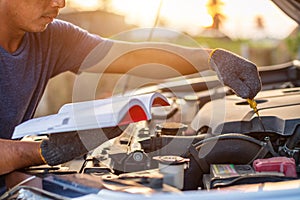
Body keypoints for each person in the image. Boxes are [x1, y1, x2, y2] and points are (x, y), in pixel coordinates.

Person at [0, 0, 261, 179]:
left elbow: (130, 56)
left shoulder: (51, 37)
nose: (60, 2)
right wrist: (44, 152)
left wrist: (210, 58)